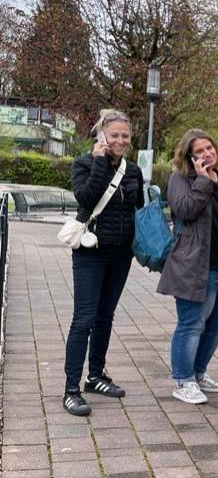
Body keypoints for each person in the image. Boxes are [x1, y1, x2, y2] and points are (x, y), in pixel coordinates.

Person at [62, 109, 144, 416]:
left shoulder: (132, 171)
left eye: (125, 135)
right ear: (102, 136)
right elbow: (85, 197)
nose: (121, 140)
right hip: (90, 251)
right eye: (115, 135)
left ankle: (95, 376)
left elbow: (136, 209)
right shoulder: (84, 163)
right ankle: (71, 388)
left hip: (120, 254)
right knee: (83, 318)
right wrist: (98, 161)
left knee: (105, 317)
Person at [159, 129, 218, 405]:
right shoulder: (180, 179)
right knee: (192, 324)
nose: (207, 154)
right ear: (189, 157)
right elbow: (184, 210)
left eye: (209, 148)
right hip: (195, 266)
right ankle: (183, 380)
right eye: (200, 151)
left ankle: (199, 373)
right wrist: (203, 181)